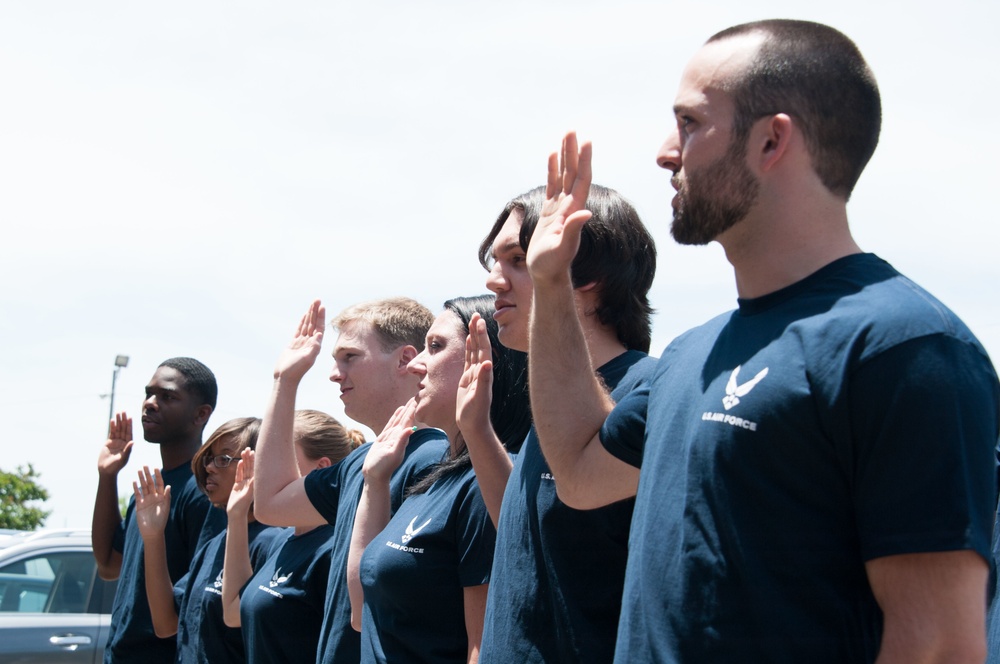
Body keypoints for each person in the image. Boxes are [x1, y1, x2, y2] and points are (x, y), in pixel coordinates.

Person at [525, 20, 1000, 663]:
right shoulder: (693, 354)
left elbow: (940, 644)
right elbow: (580, 472)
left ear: (772, 140)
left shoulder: (902, 346)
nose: (667, 151)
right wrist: (551, 284)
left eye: (690, 123)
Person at [464, 185, 657, 663]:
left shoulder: (650, 393)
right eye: (493, 261)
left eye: (515, 259)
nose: (493, 281)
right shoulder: (549, 414)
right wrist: (477, 431)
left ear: (585, 271)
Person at [252, 297, 449, 664]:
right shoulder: (358, 461)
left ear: (406, 359)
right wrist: (285, 380)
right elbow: (270, 503)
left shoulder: (438, 459)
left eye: (350, 357)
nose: (334, 372)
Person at [347, 295, 531, 663]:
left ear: (484, 360)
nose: (415, 364)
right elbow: (359, 611)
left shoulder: (486, 484)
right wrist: (375, 481)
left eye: (435, 347)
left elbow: (484, 647)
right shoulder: (435, 480)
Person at [92, 357, 227, 664]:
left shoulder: (204, 491)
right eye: (148, 393)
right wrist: (107, 475)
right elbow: (109, 565)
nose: (150, 404)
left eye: (167, 396)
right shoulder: (152, 488)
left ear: (201, 414)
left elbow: (196, 604)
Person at [131, 417, 284, 663]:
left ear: (259, 465)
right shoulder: (215, 544)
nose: (210, 467)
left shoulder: (274, 543)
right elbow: (166, 624)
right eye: (208, 458)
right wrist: (153, 537)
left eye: (223, 459)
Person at [222, 410, 364, 663]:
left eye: (279, 459)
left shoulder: (334, 550)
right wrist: (236, 515)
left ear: (321, 468)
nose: (265, 471)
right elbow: (233, 613)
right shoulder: (282, 540)